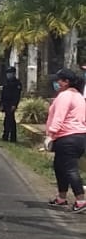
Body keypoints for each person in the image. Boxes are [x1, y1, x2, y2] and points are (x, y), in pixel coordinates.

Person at [45, 67, 86, 212]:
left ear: (66, 82)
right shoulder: (79, 97)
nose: (56, 83)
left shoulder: (65, 96)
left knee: (69, 169)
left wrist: (51, 134)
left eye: (59, 80)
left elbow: (59, 117)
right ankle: (61, 197)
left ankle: (81, 200)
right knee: (59, 167)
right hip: (79, 137)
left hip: (67, 137)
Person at [0, 66, 22, 143]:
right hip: (6, 103)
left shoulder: (17, 83)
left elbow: (17, 95)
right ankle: (6, 135)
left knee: (10, 120)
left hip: (11, 104)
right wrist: (0, 104)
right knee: (7, 120)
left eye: (10, 73)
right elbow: (3, 94)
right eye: (8, 73)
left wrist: (14, 105)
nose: (8, 75)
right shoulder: (6, 82)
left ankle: (12, 137)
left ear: (14, 73)